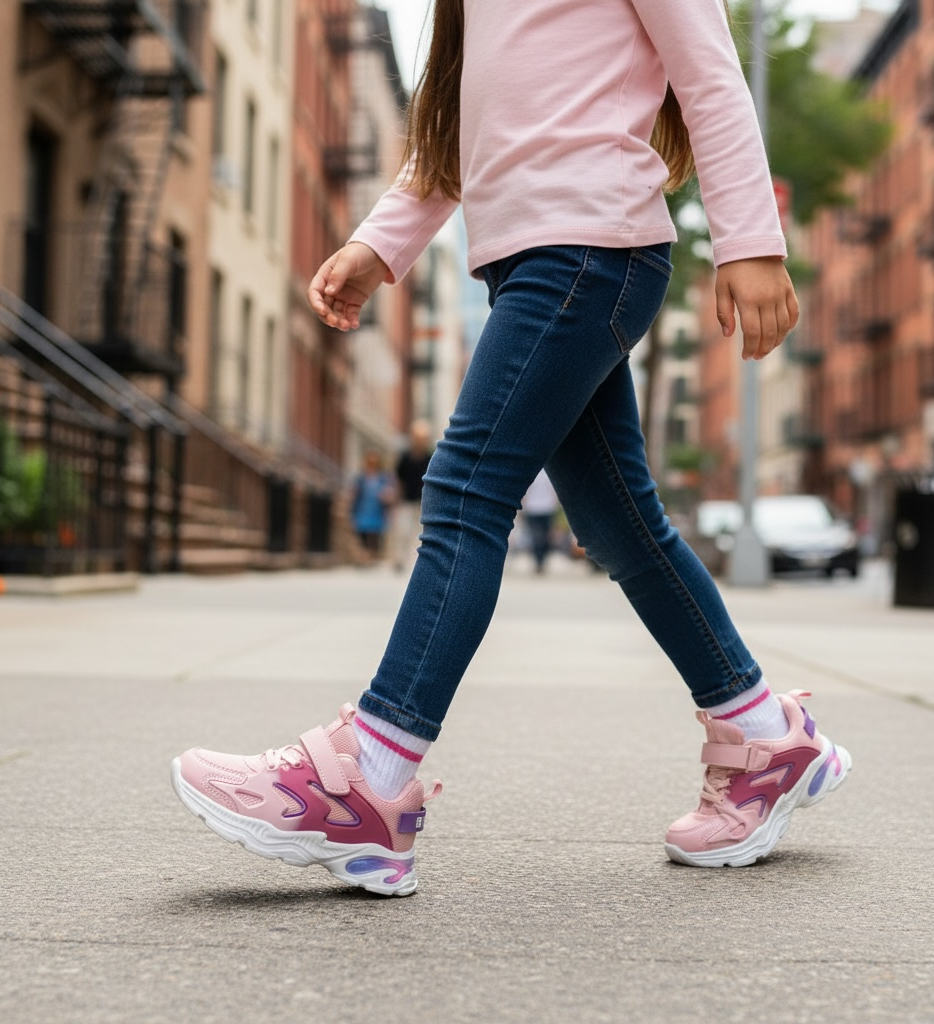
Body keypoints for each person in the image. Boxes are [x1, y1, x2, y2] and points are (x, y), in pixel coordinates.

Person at [171, 0, 851, 896]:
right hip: (543, 259)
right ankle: (764, 735)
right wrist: (382, 242)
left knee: (464, 491)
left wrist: (751, 241)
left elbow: (711, 73)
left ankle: (370, 777)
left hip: (587, 249)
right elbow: (459, 127)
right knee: (618, 525)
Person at [391, 420, 434, 572]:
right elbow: (399, 480)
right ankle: (399, 560)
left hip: (423, 502)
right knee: (402, 531)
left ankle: (415, 563)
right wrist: (396, 499)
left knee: (419, 534)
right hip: (406, 501)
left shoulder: (431, 457)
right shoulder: (405, 457)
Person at [349, 450, 394, 561]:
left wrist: (386, 496)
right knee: (362, 532)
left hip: (377, 509)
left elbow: (390, 492)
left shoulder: (383, 477)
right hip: (363, 508)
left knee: (375, 533)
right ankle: (365, 555)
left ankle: (372, 554)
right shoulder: (361, 477)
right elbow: (354, 491)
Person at [521, 469, 560, 573]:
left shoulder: (545, 474)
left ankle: (541, 560)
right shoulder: (535, 473)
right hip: (534, 508)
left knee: (543, 537)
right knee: (537, 536)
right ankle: (539, 561)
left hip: (545, 508)